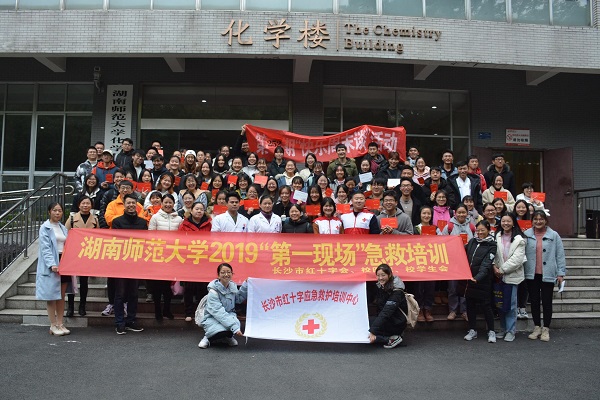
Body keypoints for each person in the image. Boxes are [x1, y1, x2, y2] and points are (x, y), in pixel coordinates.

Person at [523, 211, 566, 342]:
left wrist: (561, 273)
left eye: (541, 219)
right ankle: (537, 327)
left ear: (546, 221)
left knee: (547, 302)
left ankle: (546, 328)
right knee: (534, 301)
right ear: (532, 221)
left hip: (548, 273)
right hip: (531, 274)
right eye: (535, 219)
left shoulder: (554, 235)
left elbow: (560, 254)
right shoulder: (526, 235)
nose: (538, 221)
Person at [111, 194, 147, 334]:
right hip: (121, 263)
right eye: (128, 203)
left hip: (136, 263)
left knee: (133, 293)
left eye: (133, 203)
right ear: (124, 205)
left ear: (137, 205)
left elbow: (146, 242)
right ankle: (119, 322)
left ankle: (131, 320)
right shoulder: (117, 222)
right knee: (120, 294)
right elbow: (115, 241)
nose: (131, 205)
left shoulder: (142, 223)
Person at [36, 203, 70, 336]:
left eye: (60, 211)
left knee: (61, 295)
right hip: (52, 263)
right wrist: (52, 264)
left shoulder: (63, 228)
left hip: (64, 261)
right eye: (55, 210)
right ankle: (53, 324)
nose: (57, 213)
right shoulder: (45, 227)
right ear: (49, 212)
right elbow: (45, 248)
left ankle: (60, 323)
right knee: (51, 296)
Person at [148, 193, 183, 321]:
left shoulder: (179, 219)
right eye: (166, 202)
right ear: (161, 203)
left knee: (168, 287)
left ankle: (167, 310)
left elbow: (182, 237)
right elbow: (150, 236)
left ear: (174, 204)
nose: (168, 205)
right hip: (158, 256)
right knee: (157, 287)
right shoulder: (155, 218)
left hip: (173, 256)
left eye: (170, 202)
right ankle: (157, 311)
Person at [198, 263, 248, 349]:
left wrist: (245, 285)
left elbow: (239, 298)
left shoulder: (232, 286)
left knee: (233, 324)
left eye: (229, 272)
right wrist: (234, 327)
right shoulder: (213, 291)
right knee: (217, 330)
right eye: (223, 272)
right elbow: (218, 312)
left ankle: (227, 337)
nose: (226, 274)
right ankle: (207, 337)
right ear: (218, 275)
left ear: (232, 274)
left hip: (229, 315)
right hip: (213, 317)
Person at [462, 220, 497, 343]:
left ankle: (491, 331)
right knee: (470, 305)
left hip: (483, 281)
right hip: (469, 279)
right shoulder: (472, 241)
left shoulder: (492, 244)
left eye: (483, 230)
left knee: (486, 306)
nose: (480, 233)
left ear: (488, 230)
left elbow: (487, 264)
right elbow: (461, 253)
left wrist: (478, 277)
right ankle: (472, 329)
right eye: (478, 230)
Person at [493, 214, 526, 342]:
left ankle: (511, 330)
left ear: (513, 223)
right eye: (503, 221)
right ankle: (503, 328)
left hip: (512, 276)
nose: (505, 223)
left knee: (511, 305)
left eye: (508, 221)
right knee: (500, 303)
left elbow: (517, 260)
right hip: (498, 276)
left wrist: (502, 270)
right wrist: (494, 267)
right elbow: (493, 254)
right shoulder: (497, 236)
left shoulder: (519, 239)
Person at [65, 196, 99, 317]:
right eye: (83, 203)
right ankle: (70, 307)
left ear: (91, 205)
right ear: (79, 205)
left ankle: (82, 306)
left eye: (88, 203)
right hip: (74, 254)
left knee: (84, 282)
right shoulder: (72, 218)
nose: (85, 205)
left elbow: (98, 237)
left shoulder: (95, 219)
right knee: (72, 281)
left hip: (87, 254)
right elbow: (65, 235)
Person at [179, 202, 212, 322]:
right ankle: (188, 312)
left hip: (204, 260)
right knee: (188, 288)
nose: (199, 211)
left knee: (202, 288)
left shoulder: (209, 224)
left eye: (201, 209)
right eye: (197, 209)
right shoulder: (184, 224)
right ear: (191, 210)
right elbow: (179, 240)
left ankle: (201, 312)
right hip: (189, 259)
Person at [442, 204, 474, 321]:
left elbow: (476, 242)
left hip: (467, 261)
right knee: (453, 287)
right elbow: (442, 242)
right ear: (455, 213)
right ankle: (453, 310)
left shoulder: (472, 227)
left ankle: (464, 311)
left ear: (467, 213)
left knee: (465, 287)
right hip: (453, 261)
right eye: (459, 212)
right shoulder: (449, 227)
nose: (461, 214)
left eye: (463, 212)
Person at [368, 264, 407, 349]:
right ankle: (389, 335)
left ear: (389, 275)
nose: (380, 278)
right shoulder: (381, 287)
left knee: (369, 330)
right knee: (366, 324)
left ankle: (391, 338)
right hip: (388, 320)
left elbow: (386, 312)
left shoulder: (397, 291)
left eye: (383, 275)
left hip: (396, 322)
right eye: (378, 275)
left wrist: (373, 331)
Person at [413, 206, 440, 322]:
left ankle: (428, 309)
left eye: (428, 213)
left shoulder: (435, 229)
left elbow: (441, 243)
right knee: (419, 287)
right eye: (424, 213)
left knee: (430, 286)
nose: (426, 216)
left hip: (432, 261)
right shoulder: (415, 228)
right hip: (418, 260)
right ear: (420, 215)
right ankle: (419, 310)